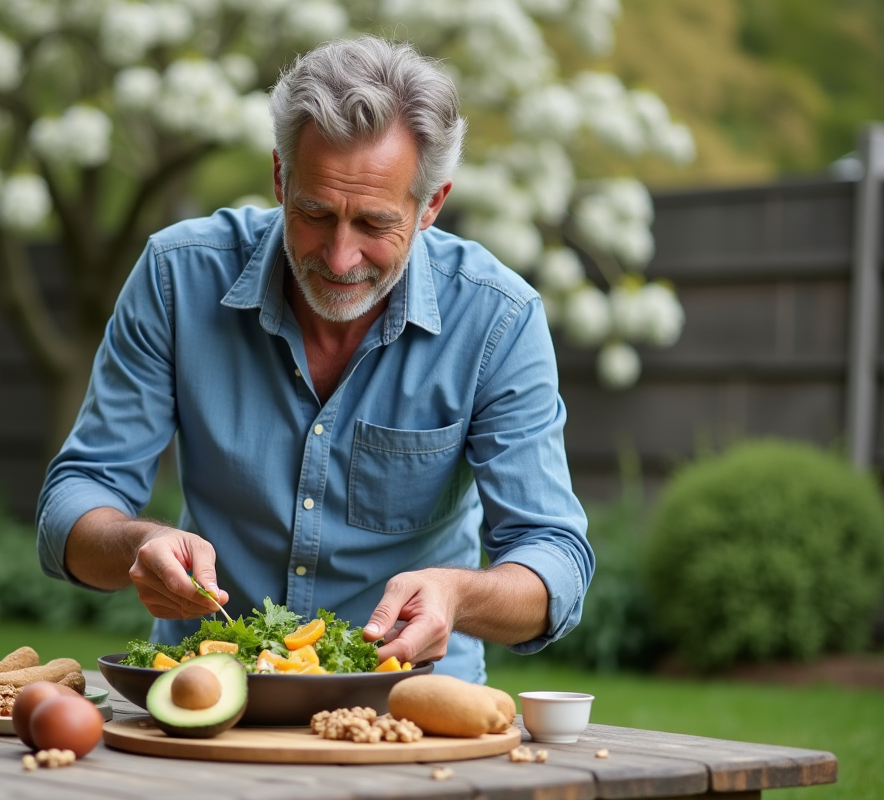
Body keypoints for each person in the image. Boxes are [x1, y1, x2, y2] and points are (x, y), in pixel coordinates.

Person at [36, 36, 593, 683]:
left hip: (406, 704)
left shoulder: (498, 318)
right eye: (315, 212)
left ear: (431, 205)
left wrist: (458, 594)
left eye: (375, 224)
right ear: (280, 178)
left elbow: (554, 557)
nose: (339, 257)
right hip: (209, 693)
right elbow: (73, 501)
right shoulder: (177, 275)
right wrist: (139, 543)